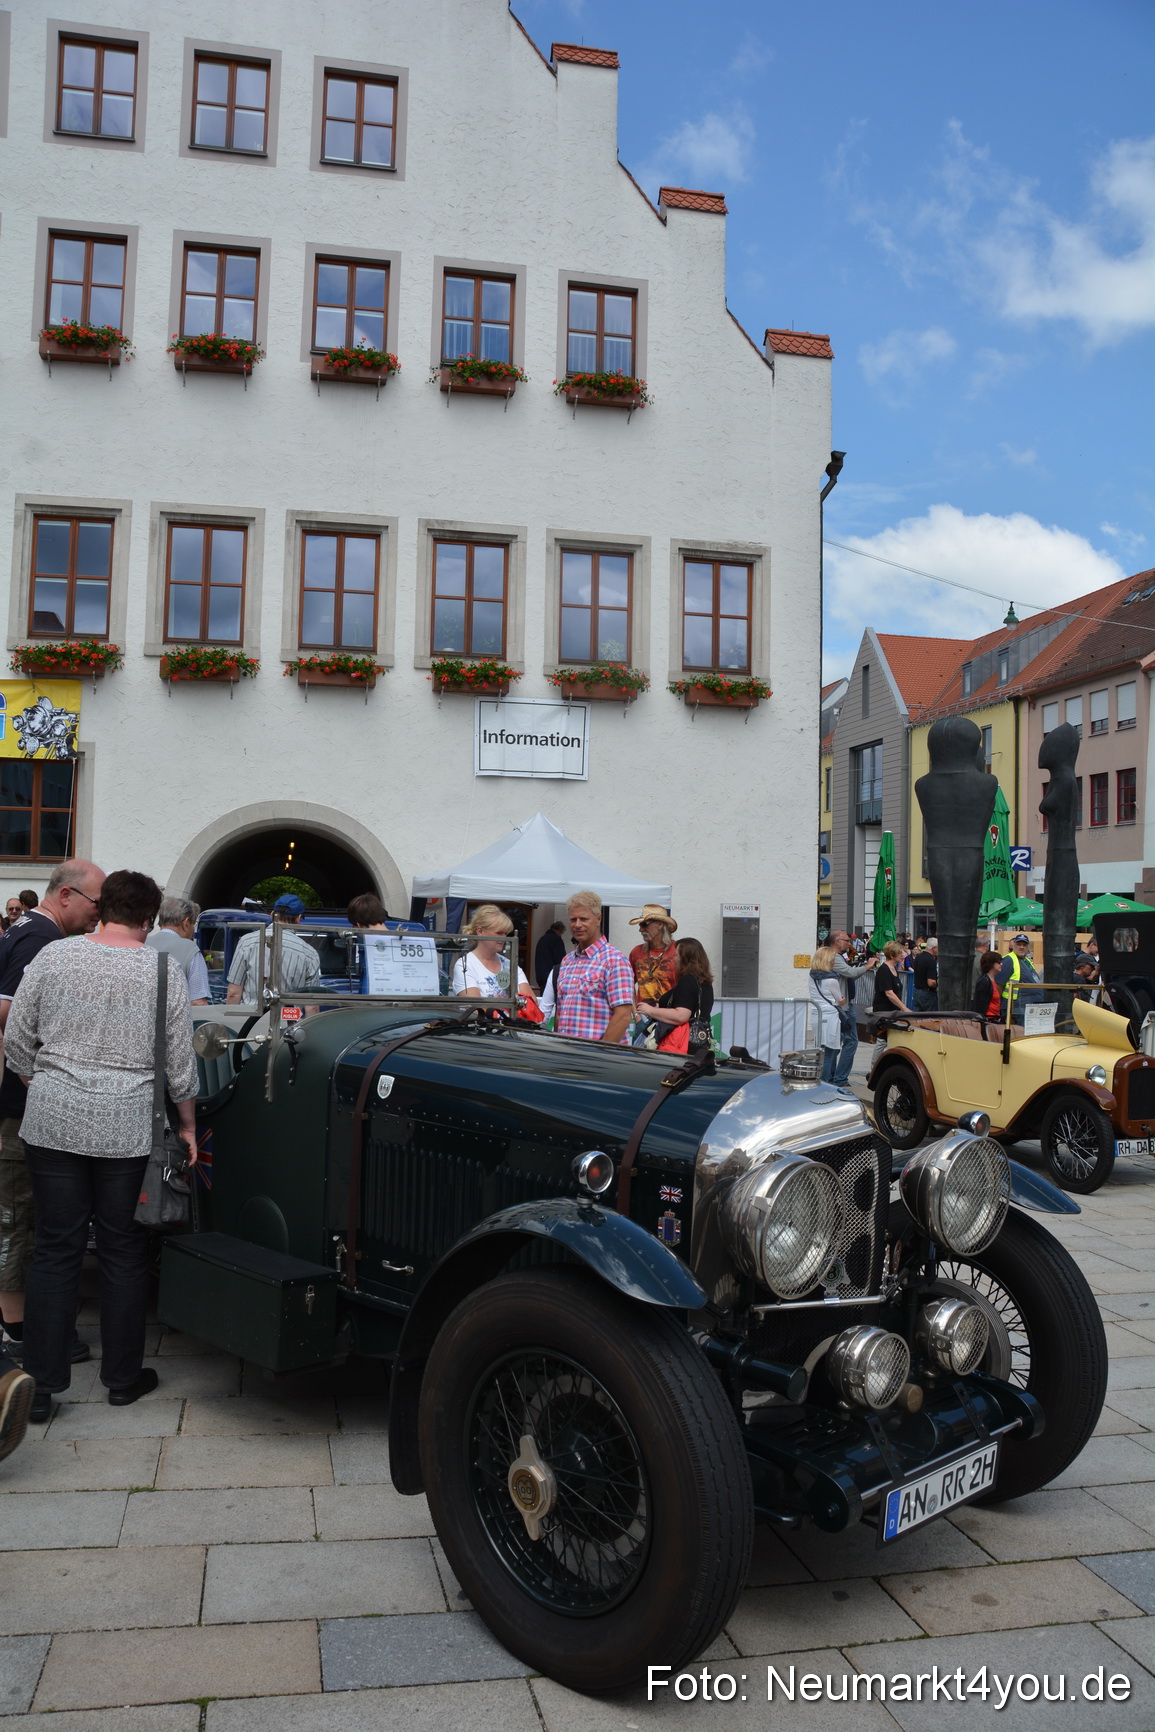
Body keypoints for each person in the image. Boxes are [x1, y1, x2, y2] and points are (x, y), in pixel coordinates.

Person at [5, 870, 198, 1419]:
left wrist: (36, 1079)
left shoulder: (55, 957)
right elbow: (180, 1064)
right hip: (126, 1126)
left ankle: (40, 1387)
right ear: (148, 919)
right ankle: (121, 1377)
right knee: (122, 1250)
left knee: (55, 1248)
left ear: (103, 907)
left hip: (53, 1122)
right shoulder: (163, 969)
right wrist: (186, 1127)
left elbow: (18, 1035)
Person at [0, 859, 106, 1370]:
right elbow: (6, 1009)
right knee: (20, 1216)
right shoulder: (41, 938)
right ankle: (16, 1332)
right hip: (16, 1104)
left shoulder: (30, 928)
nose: (99, 914)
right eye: (95, 904)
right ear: (65, 895)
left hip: (21, 1101)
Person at [554, 890, 634, 1044]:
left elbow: (623, 1015)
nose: (577, 925)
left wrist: (599, 1055)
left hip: (595, 1060)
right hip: (565, 1056)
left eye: (584, 919)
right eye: (573, 919)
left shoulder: (614, 960)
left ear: (598, 919)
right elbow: (560, 1012)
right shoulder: (567, 961)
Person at [226, 893, 320, 1005]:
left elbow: (234, 993)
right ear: (298, 918)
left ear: (272, 915)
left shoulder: (246, 942)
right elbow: (312, 1004)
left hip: (251, 1019)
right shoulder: (309, 953)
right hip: (289, 1020)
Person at [641, 937, 714, 1053]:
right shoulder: (704, 982)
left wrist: (650, 1010)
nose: (674, 959)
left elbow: (681, 1015)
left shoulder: (688, 980)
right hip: (695, 1046)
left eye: (676, 955)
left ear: (685, 959)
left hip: (678, 1044)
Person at [452, 904, 534, 1000]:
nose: (504, 938)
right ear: (480, 931)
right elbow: (475, 1006)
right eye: (499, 933)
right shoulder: (465, 965)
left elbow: (531, 1000)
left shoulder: (510, 965)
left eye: (506, 933)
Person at [830, 930, 877, 1087]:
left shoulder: (838, 957)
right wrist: (867, 966)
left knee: (838, 1043)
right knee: (849, 1042)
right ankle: (839, 1079)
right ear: (837, 941)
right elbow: (849, 973)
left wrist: (862, 968)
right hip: (843, 1006)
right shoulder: (834, 958)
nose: (849, 943)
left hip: (844, 1005)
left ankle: (833, 1078)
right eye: (846, 940)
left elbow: (849, 974)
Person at [146, 897, 210, 1005]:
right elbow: (198, 1002)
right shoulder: (190, 949)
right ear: (185, 923)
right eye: (193, 923)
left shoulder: (143, 944)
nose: (193, 930)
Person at [808, 945, 844, 1081]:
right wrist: (842, 1001)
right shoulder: (832, 980)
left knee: (820, 1051)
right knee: (829, 1052)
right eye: (832, 960)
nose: (834, 962)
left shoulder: (811, 976)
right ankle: (824, 1082)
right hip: (829, 1016)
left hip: (817, 1014)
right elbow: (839, 1000)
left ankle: (820, 1080)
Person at [628, 905, 679, 1004]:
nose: (641, 930)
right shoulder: (636, 952)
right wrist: (636, 1014)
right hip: (643, 1016)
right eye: (640, 925)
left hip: (670, 1016)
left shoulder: (678, 951)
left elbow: (688, 987)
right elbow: (628, 985)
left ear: (660, 925)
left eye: (644, 924)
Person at [996, 934, 1042, 1026]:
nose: (1021, 947)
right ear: (1013, 945)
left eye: (1024, 945)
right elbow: (998, 985)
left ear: (1028, 947)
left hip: (1027, 1007)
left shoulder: (1026, 960)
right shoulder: (1009, 960)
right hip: (1016, 1008)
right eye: (1019, 944)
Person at [534, 920, 567, 991]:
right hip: (552, 976)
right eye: (562, 932)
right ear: (559, 930)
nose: (561, 935)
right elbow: (561, 959)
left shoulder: (542, 939)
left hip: (540, 975)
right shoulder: (556, 940)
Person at [974, 950, 1003, 1021]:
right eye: (999, 962)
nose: (1001, 964)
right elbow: (980, 1004)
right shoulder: (984, 981)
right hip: (988, 1020)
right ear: (991, 964)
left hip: (994, 1019)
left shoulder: (992, 980)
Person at [912, 937, 939, 1013]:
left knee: (917, 1018)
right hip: (928, 994)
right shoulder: (931, 961)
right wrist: (939, 984)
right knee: (930, 1018)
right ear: (933, 948)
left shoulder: (918, 957)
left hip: (917, 992)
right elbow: (931, 983)